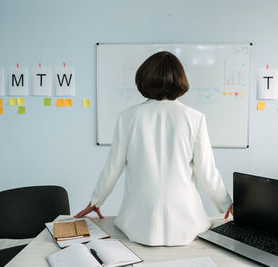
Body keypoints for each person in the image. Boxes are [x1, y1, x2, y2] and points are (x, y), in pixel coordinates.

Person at [76, 51, 233, 246]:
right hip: (188, 224)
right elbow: (206, 171)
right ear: (181, 80)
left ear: (143, 80)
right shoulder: (195, 118)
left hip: (138, 225)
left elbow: (113, 167)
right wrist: (227, 204)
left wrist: (96, 201)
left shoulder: (128, 117)